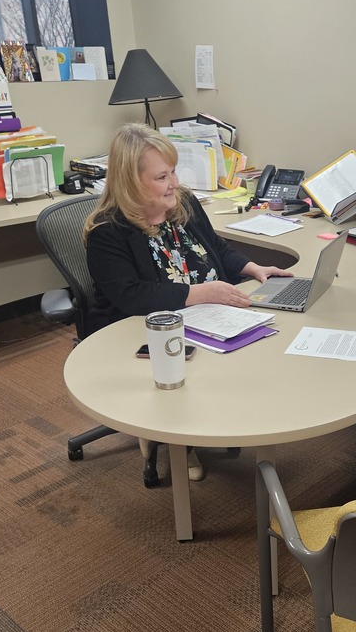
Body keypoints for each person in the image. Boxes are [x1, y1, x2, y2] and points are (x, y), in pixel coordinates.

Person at [84, 122, 293, 481]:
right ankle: (173, 437)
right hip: (142, 329)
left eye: (174, 171)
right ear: (132, 182)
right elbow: (130, 295)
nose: (175, 183)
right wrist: (199, 294)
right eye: (162, 176)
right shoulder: (108, 232)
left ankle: (195, 425)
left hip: (209, 314)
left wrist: (252, 267)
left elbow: (218, 249)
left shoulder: (183, 204)